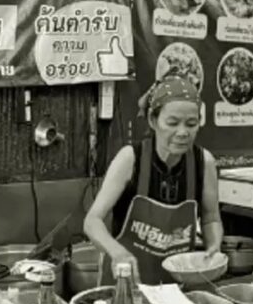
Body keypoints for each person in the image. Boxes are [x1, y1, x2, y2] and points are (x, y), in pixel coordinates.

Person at [84, 76, 223, 285]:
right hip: (125, 283)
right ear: (153, 120)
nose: (183, 132)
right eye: (173, 123)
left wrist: (214, 247)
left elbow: (211, 218)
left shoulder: (204, 162)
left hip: (176, 288)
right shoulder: (130, 159)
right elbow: (92, 221)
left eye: (191, 124)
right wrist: (118, 253)